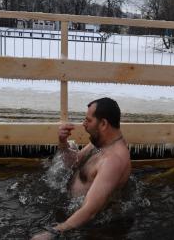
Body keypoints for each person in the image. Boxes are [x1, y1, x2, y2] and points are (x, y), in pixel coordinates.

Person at [31, 97, 131, 240]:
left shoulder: (113, 161)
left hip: (84, 227)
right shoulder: (101, 143)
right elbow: (74, 162)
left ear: (103, 123)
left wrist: (53, 232)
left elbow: (90, 211)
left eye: (88, 120)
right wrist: (63, 142)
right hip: (69, 208)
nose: (84, 124)